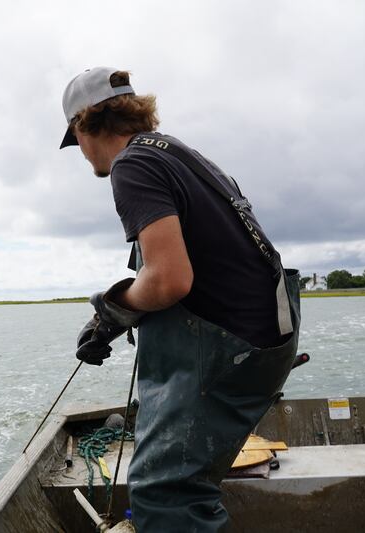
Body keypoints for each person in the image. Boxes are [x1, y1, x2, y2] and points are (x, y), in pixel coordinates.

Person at [59, 67, 301, 532]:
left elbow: (169, 281)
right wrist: (117, 319)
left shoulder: (133, 165)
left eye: (76, 140)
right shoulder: (186, 157)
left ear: (84, 125)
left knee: (166, 494)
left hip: (225, 349)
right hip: (264, 339)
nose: (81, 153)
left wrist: (108, 306)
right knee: (180, 486)